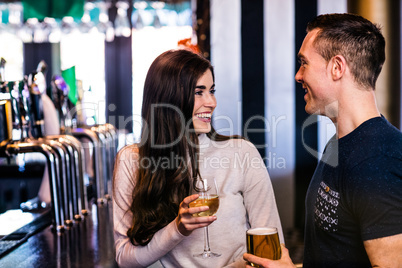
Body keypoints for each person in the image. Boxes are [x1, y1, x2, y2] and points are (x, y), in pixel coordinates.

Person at [244, 13, 402, 267]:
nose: (298, 75)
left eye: (304, 63)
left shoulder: (380, 161)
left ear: (337, 68)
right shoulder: (339, 144)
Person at [113, 49, 283, 268]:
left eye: (211, 91)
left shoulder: (242, 152)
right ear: (168, 98)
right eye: (199, 92)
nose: (211, 102)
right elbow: (125, 259)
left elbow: (270, 244)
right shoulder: (131, 160)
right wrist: (177, 229)